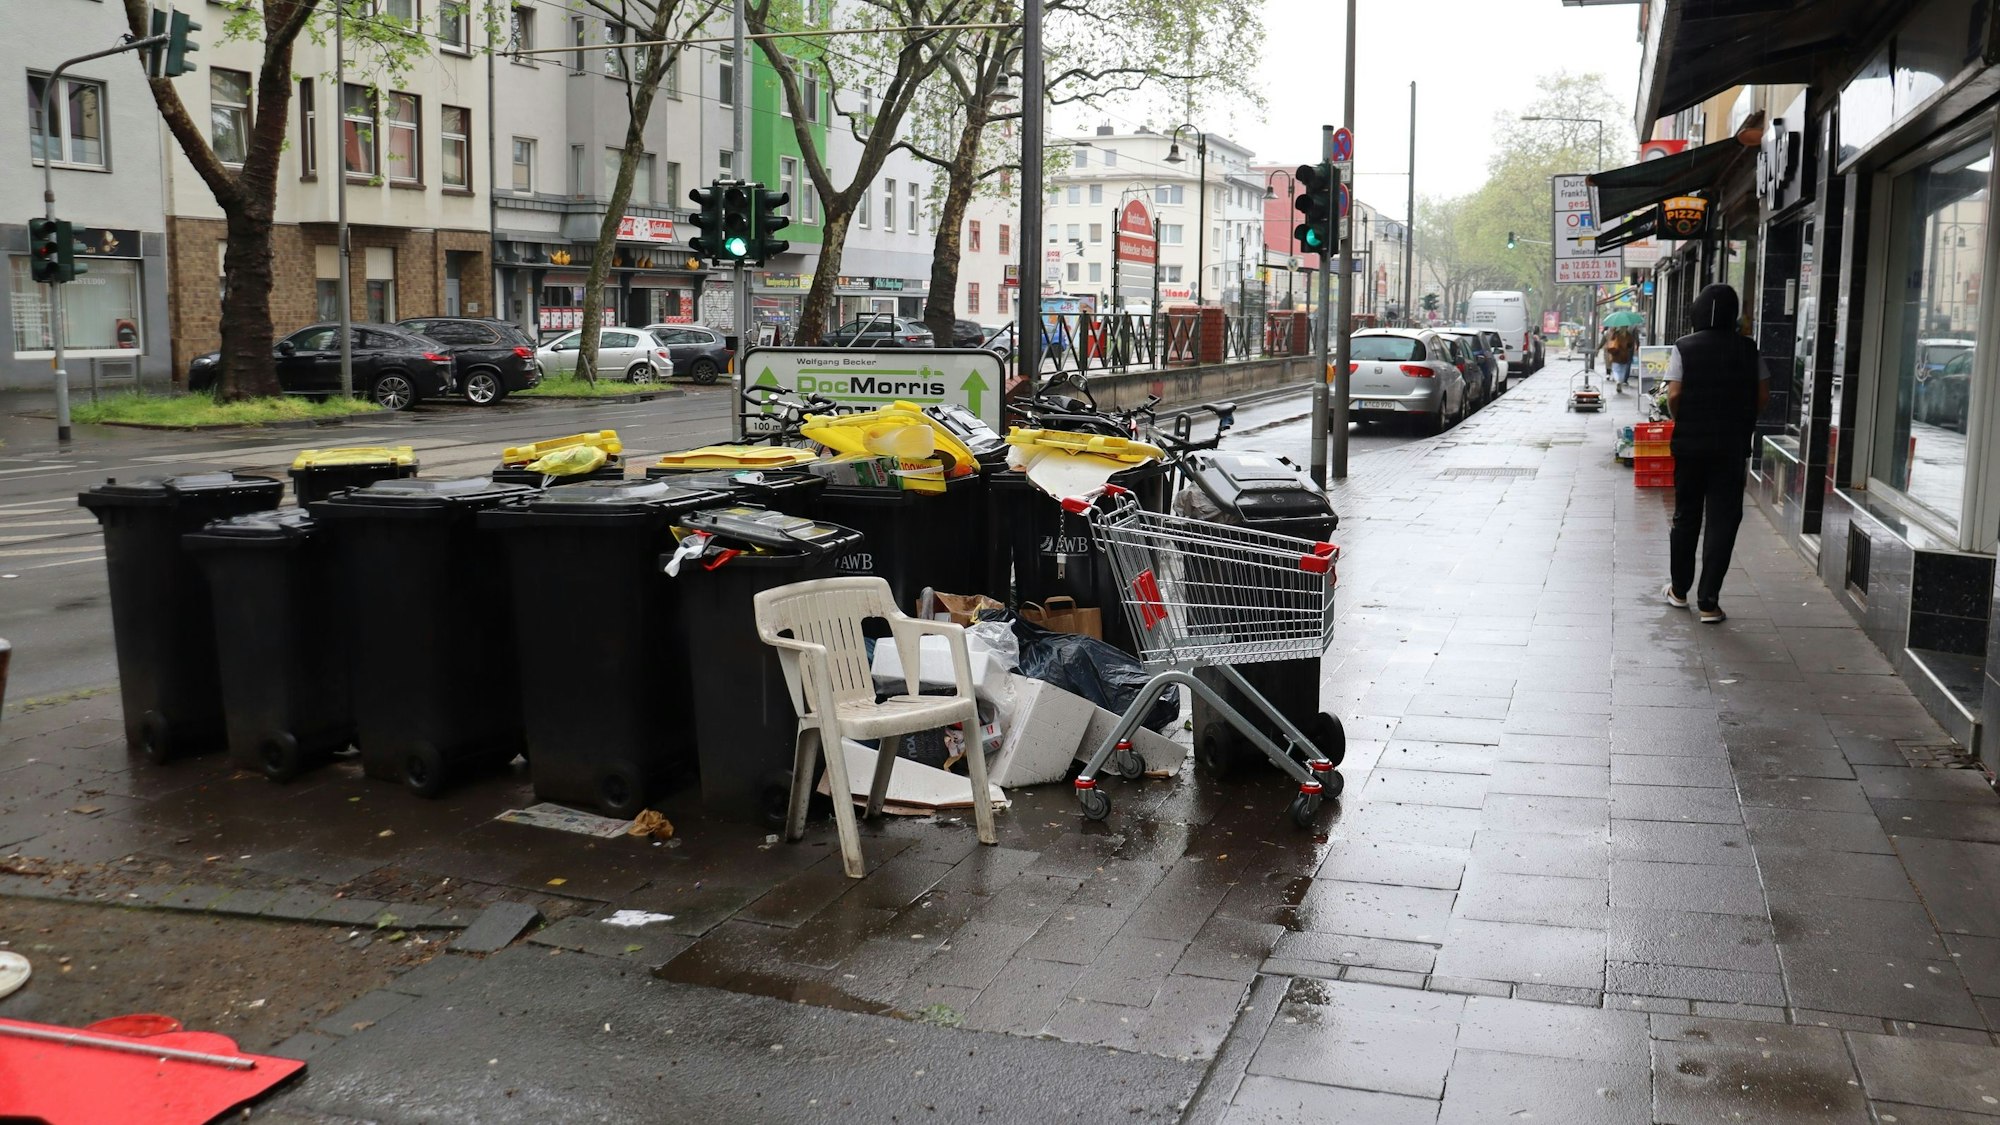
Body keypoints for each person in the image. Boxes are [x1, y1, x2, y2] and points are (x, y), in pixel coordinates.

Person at [1661, 283, 1768, 623]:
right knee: (1723, 520)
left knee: (1686, 516)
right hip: (1731, 447)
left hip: (1690, 446)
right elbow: (1762, 394)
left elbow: (1673, 395)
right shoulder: (1748, 349)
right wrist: (1742, 419)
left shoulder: (1684, 347)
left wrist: (1686, 419)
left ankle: (1679, 590)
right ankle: (1709, 602)